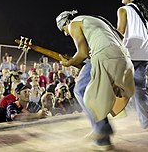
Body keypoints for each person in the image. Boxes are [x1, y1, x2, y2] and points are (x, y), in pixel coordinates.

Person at [56, 10, 135, 150]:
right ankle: (103, 141)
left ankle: (102, 129)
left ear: (66, 22)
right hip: (125, 59)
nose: (66, 33)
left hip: (105, 55)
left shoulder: (74, 24)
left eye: (63, 29)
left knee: (80, 90)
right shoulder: (97, 19)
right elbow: (119, 36)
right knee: (98, 93)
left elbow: (82, 53)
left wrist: (69, 63)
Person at [116, 0, 148, 131]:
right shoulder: (146, 13)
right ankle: (147, 123)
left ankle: (113, 115)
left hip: (129, 53)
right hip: (144, 54)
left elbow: (120, 32)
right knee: (140, 89)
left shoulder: (123, 10)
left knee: (113, 82)